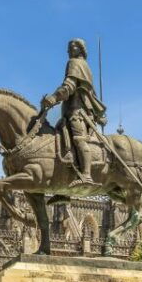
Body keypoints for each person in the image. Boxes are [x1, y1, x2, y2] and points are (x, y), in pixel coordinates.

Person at [41, 38, 107, 185]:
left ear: (81, 49)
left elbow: (69, 85)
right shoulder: (85, 66)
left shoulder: (75, 63)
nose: (69, 50)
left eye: (73, 47)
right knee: (60, 138)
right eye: (68, 47)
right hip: (73, 110)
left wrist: (54, 97)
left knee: (78, 139)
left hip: (77, 111)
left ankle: (87, 175)